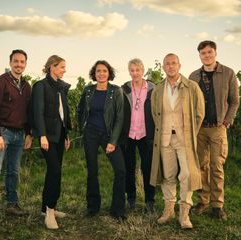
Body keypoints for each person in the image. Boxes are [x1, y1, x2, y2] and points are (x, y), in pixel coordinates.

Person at [150, 53, 205, 229]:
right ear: (164, 68)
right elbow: (154, 113)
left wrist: (190, 133)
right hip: (165, 138)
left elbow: (199, 113)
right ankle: (168, 210)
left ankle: (184, 213)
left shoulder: (192, 87)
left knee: (187, 174)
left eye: (174, 63)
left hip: (184, 139)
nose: (170, 66)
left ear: (179, 66)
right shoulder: (158, 89)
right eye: (167, 64)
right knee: (168, 175)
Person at [189, 40, 239, 220]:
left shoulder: (228, 73)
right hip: (200, 129)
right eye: (203, 53)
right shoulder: (193, 76)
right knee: (201, 166)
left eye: (209, 52)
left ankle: (217, 205)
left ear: (215, 53)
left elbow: (234, 101)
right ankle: (203, 201)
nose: (207, 55)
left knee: (216, 166)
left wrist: (227, 121)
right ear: (200, 56)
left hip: (218, 128)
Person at [0, 49, 32, 222]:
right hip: (2, 132)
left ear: (25, 64)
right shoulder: (1, 82)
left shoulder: (26, 86)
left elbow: (27, 112)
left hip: (19, 134)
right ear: (10, 62)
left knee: (13, 171)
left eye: (22, 61)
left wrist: (28, 134)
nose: (19, 64)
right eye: (16, 61)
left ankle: (12, 204)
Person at [76, 60, 126, 221]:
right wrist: (82, 127)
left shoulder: (116, 91)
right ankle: (92, 208)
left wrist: (113, 141)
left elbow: (120, 117)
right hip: (90, 134)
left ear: (109, 73)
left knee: (120, 170)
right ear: (94, 73)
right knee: (92, 170)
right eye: (98, 71)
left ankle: (117, 210)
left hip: (108, 135)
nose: (101, 73)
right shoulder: (88, 90)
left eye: (104, 71)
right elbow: (80, 110)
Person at [31, 55, 71, 229]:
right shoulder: (41, 86)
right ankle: (49, 212)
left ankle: (46, 207)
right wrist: (42, 135)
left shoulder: (61, 88)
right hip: (47, 137)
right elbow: (37, 112)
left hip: (60, 135)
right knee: (55, 171)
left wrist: (66, 134)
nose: (64, 70)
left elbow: (64, 113)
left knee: (54, 171)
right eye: (61, 67)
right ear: (52, 67)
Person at [119, 58, 156, 213]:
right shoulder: (124, 89)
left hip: (146, 134)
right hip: (128, 134)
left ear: (143, 71)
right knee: (129, 168)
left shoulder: (153, 88)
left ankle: (149, 201)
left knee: (148, 168)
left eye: (137, 70)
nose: (135, 73)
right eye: (132, 70)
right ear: (129, 72)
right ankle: (131, 198)